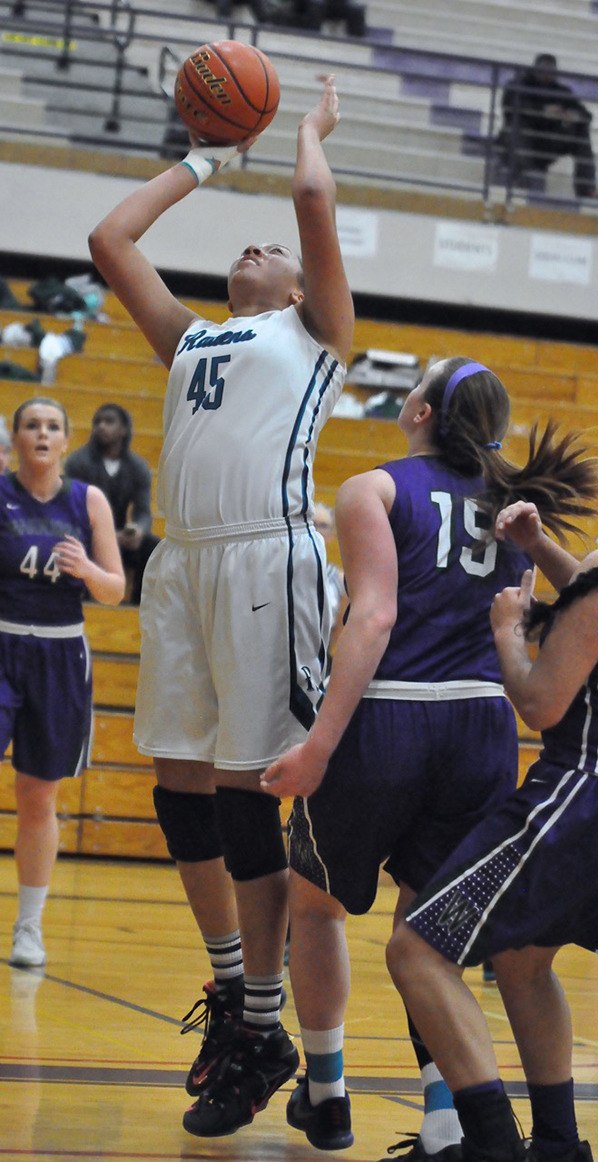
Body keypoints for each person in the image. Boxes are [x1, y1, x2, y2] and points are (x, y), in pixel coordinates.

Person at [88, 76, 354, 1138]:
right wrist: (202, 158)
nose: (252, 247)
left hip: (266, 565)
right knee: (177, 785)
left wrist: (301, 131)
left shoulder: (315, 333)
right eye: (240, 243)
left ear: (296, 288)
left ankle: (263, 1014)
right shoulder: (193, 338)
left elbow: (311, 205)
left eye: (268, 250)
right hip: (184, 566)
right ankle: (236, 1000)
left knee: (248, 793)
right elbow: (112, 240)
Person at [261, 360, 598, 1158]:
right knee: (430, 936)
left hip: (390, 720)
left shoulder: (373, 488)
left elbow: (371, 621)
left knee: (315, 909)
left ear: (416, 409)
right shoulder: (521, 507)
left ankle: (329, 1091)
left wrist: (318, 746)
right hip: (481, 732)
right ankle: (447, 1121)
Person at [385, 430, 598, 1162]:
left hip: (584, 790)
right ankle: (556, 1145)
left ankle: (490, 1145)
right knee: (520, 954)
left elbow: (542, 701)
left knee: (417, 950)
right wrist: (546, 550)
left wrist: (507, 636)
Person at [1, 397, 124, 968]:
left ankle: (29, 928)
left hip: (59, 653)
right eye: (32, 425)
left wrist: (90, 571)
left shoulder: (88, 500)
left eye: (53, 426)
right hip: (3, 642)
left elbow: (115, 590)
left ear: (66, 439)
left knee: (38, 795)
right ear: (17, 437)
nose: (42, 434)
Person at [64, 404, 159, 605]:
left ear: (124, 429)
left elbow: (143, 512)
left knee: (153, 546)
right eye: (98, 422)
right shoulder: (78, 462)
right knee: (73, 544)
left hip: (122, 539)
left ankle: (137, 605)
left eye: (109, 421)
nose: (101, 426)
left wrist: (138, 530)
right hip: (86, 536)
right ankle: (83, 600)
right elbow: (71, 511)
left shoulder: (138, 467)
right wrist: (104, 535)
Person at [498, 53, 598, 201]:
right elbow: (511, 107)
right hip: (520, 141)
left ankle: (587, 189)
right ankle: (520, 179)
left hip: (547, 143)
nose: (547, 74)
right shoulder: (518, 85)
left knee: (581, 132)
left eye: (551, 71)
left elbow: (586, 115)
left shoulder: (561, 91)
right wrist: (545, 111)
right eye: (543, 70)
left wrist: (571, 116)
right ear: (535, 69)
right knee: (517, 127)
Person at [314, 501, 347, 660]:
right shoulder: (285, 571)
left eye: (323, 525)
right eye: (312, 523)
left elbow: (342, 625)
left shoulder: (339, 579)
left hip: (322, 656)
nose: (317, 529)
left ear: (331, 536)